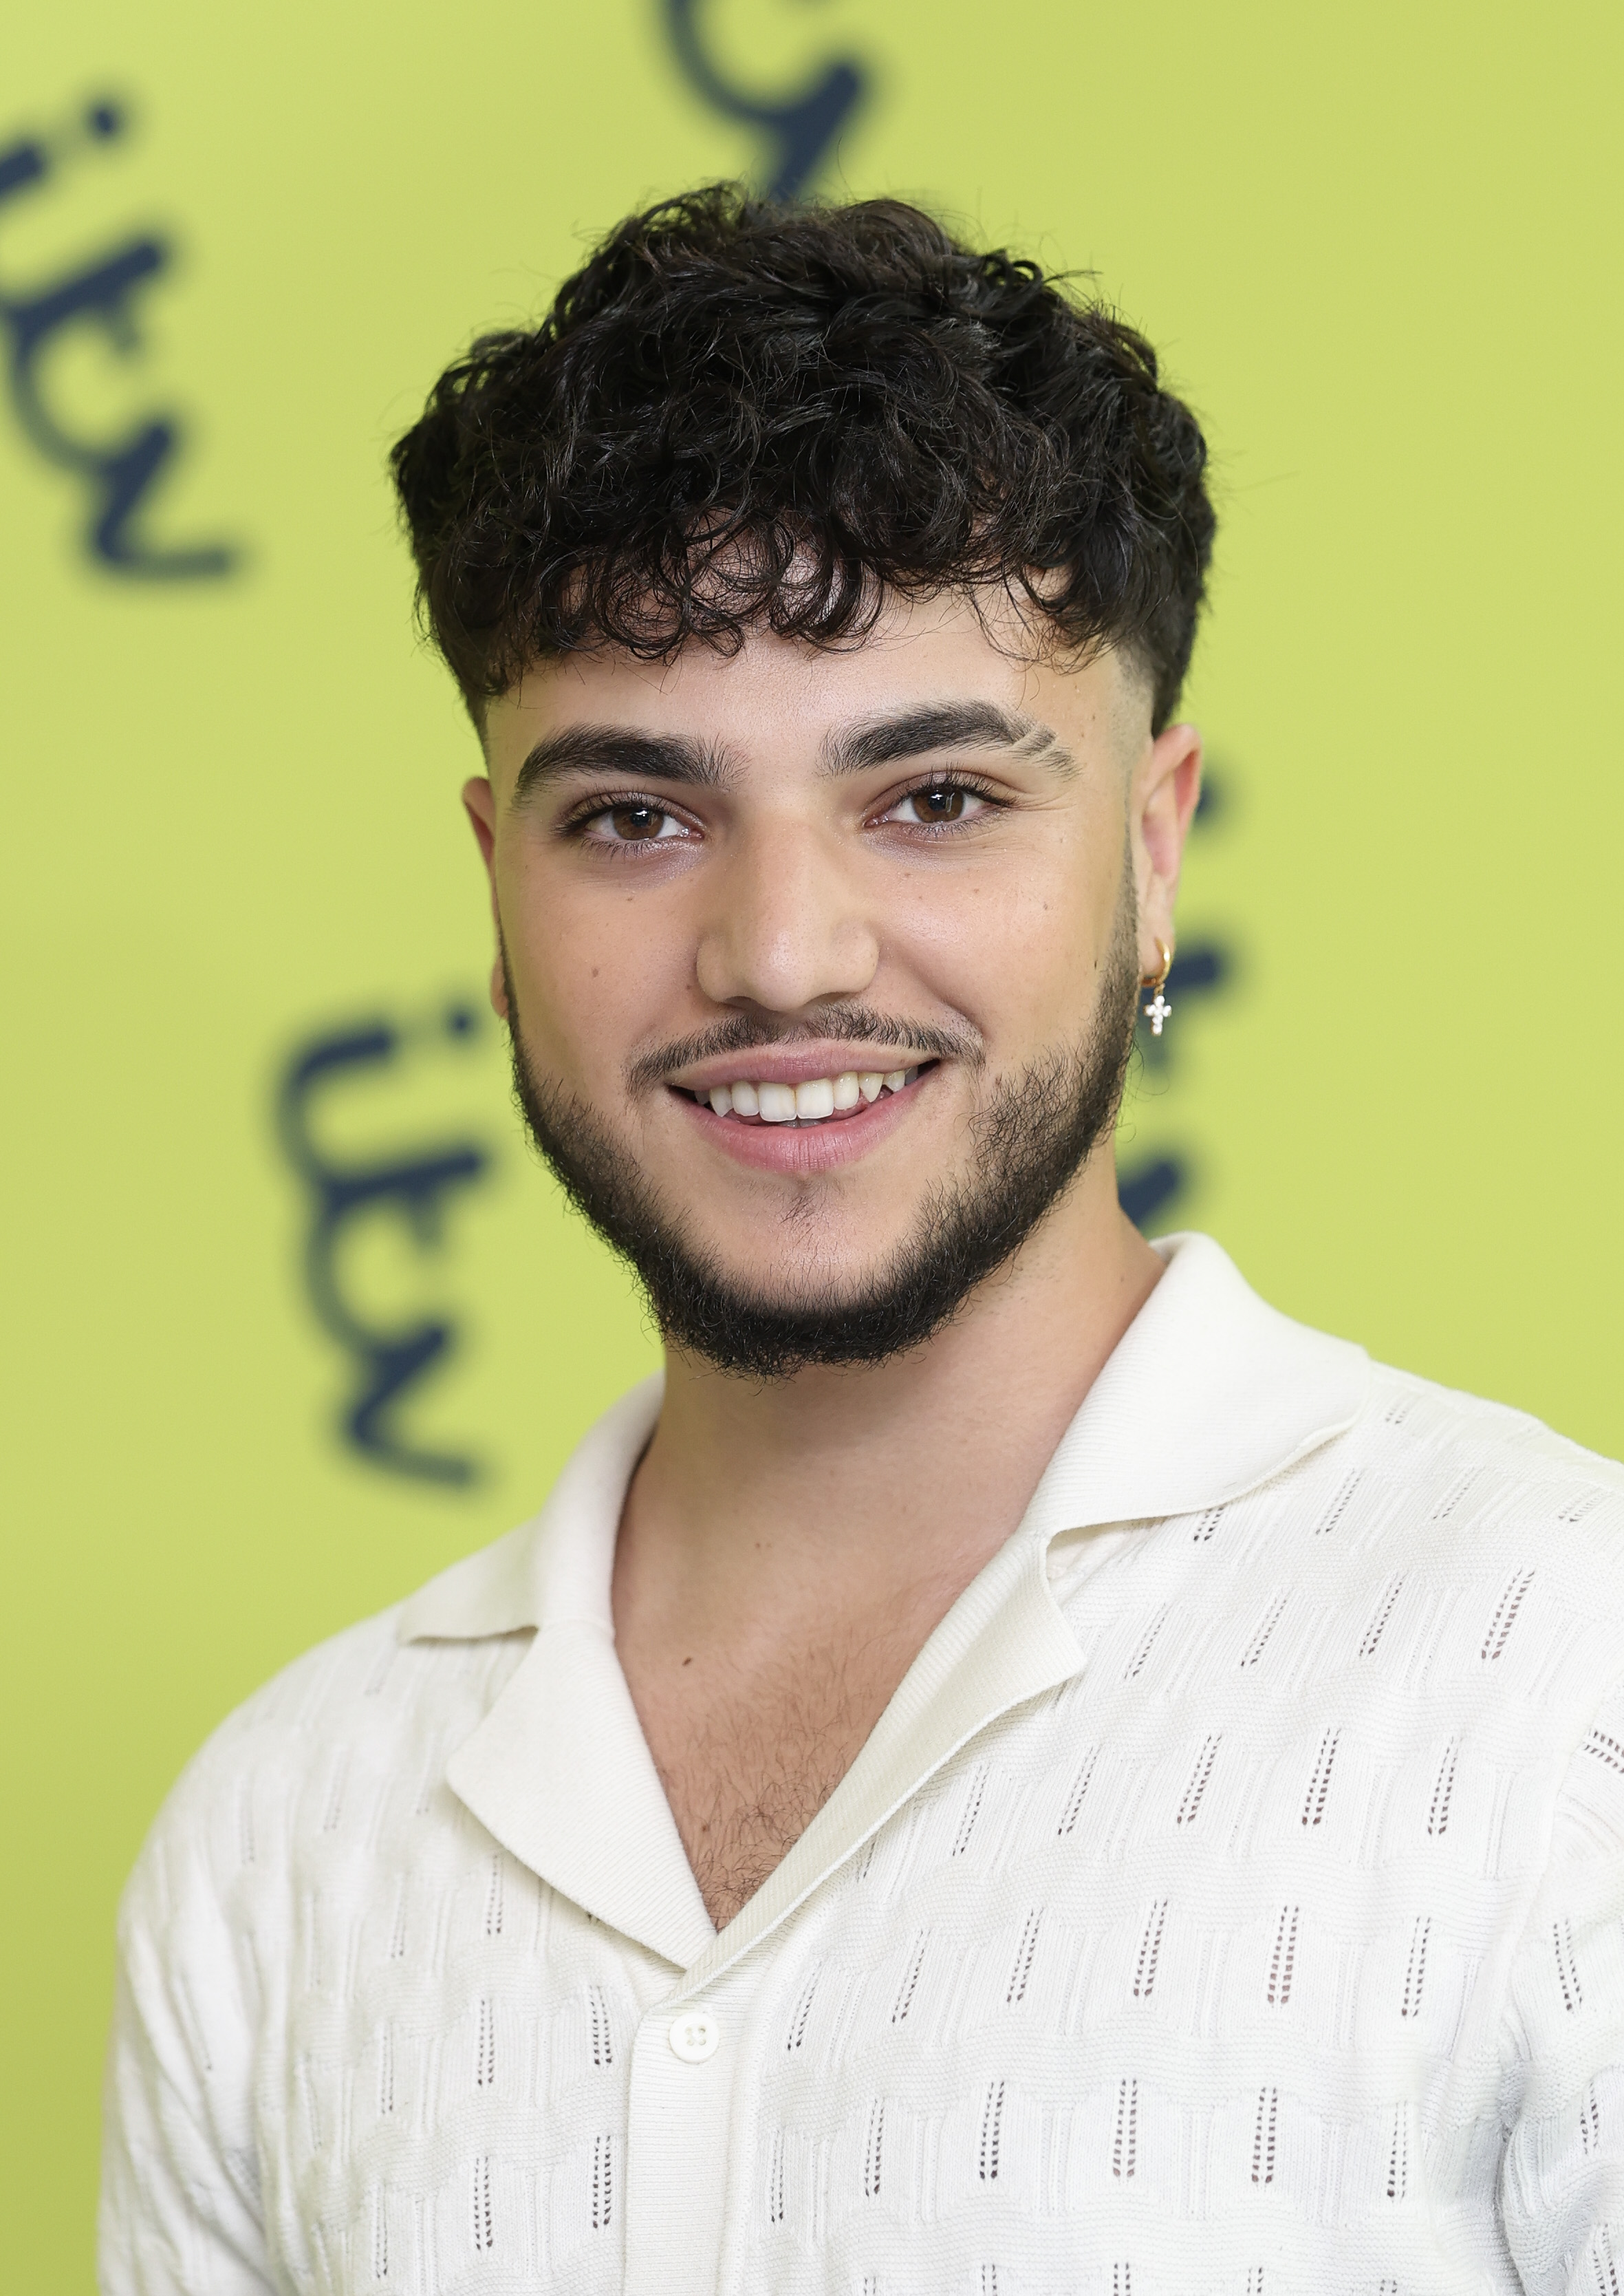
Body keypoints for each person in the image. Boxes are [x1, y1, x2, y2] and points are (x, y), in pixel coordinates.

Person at [101, 186, 1624, 2296]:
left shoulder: (1560, 1692)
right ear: (495, 884)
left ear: (1154, 848)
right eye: (634, 814)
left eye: (933, 798)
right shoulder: (273, 1848)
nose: (779, 951)